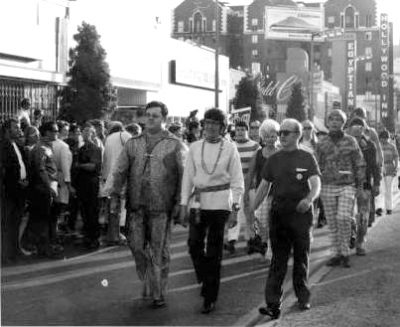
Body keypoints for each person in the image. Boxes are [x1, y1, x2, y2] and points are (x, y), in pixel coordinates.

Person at [111, 101, 186, 308]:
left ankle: (158, 292)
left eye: (155, 115)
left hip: (162, 207)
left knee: (159, 249)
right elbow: (119, 170)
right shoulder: (133, 143)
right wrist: (114, 194)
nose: (151, 118)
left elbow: (184, 175)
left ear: (164, 118)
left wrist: (181, 202)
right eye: (148, 115)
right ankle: (147, 279)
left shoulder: (175, 143)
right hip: (136, 206)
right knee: (136, 246)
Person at [253, 119, 321, 320]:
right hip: (280, 214)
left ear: (297, 135)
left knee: (301, 258)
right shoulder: (274, 159)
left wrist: (309, 199)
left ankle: (303, 297)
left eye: (286, 133)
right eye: (280, 132)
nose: (281, 136)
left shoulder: (307, 157)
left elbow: (316, 184)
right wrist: (251, 212)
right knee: (278, 260)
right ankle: (273, 304)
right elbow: (263, 187)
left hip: (300, 214)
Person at [179, 108, 244, 314]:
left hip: (221, 204)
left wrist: (235, 209)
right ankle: (206, 279)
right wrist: (182, 205)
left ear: (223, 127)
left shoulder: (230, 148)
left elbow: (237, 181)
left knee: (214, 251)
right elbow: (188, 177)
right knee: (193, 245)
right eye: (207, 122)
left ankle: (210, 297)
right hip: (198, 203)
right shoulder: (195, 147)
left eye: (215, 123)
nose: (210, 127)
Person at [316, 109, 365, 268]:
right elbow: (316, 165)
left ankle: (344, 252)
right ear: (328, 122)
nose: (335, 122)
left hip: (347, 185)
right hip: (327, 186)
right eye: (332, 119)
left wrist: (360, 185)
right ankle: (337, 254)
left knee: (343, 218)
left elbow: (359, 163)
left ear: (343, 123)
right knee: (332, 222)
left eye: (339, 120)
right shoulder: (321, 143)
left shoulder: (351, 141)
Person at [245, 119, 280, 260]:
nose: (269, 138)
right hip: (262, 194)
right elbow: (250, 174)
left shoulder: (281, 152)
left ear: (277, 136)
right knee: (262, 221)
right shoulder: (258, 154)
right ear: (262, 137)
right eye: (266, 135)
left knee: (274, 222)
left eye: (272, 135)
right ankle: (265, 242)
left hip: (278, 194)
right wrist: (246, 192)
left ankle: (272, 249)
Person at [224, 119, 260, 254]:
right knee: (235, 213)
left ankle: (251, 240)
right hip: (234, 188)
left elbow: (258, 166)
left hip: (251, 186)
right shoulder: (229, 146)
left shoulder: (255, 146)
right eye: (238, 129)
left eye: (242, 129)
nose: (240, 132)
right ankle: (232, 241)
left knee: (251, 213)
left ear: (247, 131)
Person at [26, 121, 60, 258]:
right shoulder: (40, 148)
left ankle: (45, 247)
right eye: (55, 131)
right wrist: (49, 187)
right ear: (47, 132)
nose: (57, 133)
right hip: (42, 189)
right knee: (42, 220)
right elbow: (41, 170)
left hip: (46, 187)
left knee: (45, 218)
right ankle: (43, 249)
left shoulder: (46, 147)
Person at [347, 117, 381, 255]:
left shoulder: (370, 145)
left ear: (364, 129)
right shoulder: (344, 144)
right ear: (349, 130)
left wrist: (377, 183)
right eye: (354, 128)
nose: (357, 130)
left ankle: (360, 242)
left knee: (363, 216)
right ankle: (351, 234)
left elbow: (374, 166)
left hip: (365, 185)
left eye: (360, 128)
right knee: (347, 216)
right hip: (347, 184)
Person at [1, 118, 28, 264]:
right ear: (7, 130)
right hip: (9, 193)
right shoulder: (3, 146)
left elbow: (20, 166)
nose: (19, 130)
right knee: (7, 224)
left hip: (19, 191)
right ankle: (6, 255)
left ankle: (15, 250)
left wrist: (25, 180)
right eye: (16, 128)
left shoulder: (15, 144)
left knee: (15, 222)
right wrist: (16, 182)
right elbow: (4, 172)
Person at [101, 122, 132, 245]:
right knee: (120, 207)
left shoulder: (108, 139)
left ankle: (113, 235)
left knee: (112, 208)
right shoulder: (124, 135)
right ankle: (115, 236)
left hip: (110, 177)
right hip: (122, 176)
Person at [76, 123, 102, 249]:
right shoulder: (82, 149)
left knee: (92, 211)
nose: (85, 134)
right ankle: (87, 236)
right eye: (83, 131)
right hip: (82, 183)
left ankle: (94, 238)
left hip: (91, 183)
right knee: (84, 211)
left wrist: (79, 165)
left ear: (93, 134)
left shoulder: (95, 149)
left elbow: (92, 166)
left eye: (88, 132)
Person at [52, 121, 73, 241]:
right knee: (61, 206)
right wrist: (68, 183)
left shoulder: (50, 143)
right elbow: (65, 167)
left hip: (52, 176)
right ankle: (56, 232)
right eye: (65, 130)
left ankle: (54, 231)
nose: (67, 132)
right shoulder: (63, 146)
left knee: (54, 207)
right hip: (61, 178)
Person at [376, 130, 399, 216]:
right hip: (380, 169)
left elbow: (396, 157)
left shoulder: (392, 146)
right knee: (381, 189)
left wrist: (396, 168)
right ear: (380, 138)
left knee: (388, 189)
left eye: (386, 138)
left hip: (390, 168)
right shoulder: (378, 146)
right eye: (382, 138)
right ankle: (379, 208)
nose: (384, 140)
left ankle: (389, 208)